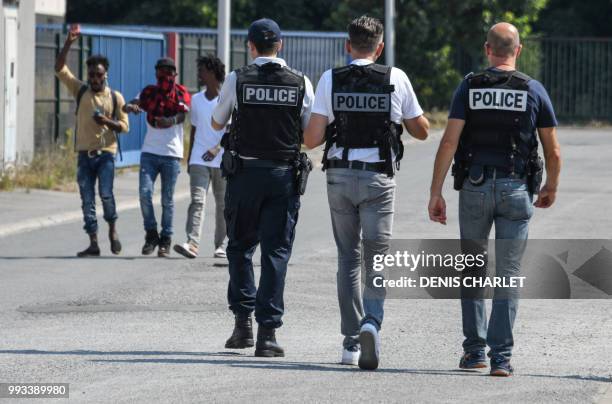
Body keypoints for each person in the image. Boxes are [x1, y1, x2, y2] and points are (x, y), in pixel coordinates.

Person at [428, 22, 561, 377]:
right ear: (518, 50)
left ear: (488, 49)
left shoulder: (469, 86)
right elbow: (553, 150)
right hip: (516, 189)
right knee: (509, 272)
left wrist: (435, 191)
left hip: (473, 186)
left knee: (472, 268)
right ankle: (501, 358)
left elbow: (449, 143)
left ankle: (475, 353)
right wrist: (551, 186)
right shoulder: (533, 89)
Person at [303, 15, 430, 370]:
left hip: (340, 176)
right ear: (380, 47)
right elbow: (420, 131)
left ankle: (350, 342)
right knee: (375, 259)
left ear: (348, 45)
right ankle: (371, 322)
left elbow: (311, 139)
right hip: (379, 179)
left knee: (347, 259)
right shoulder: (396, 78)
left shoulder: (331, 79)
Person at [211, 18, 314, 357]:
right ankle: (267, 336)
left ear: (250, 46)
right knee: (275, 253)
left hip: (245, 175)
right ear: (280, 45)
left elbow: (217, 121)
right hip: (283, 176)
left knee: (240, 247)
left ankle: (243, 327)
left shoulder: (237, 78)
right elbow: (308, 132)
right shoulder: (300, 82)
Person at [54, 24, 129, 257]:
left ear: (106, 74)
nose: (95, 78)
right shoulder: (81, 90)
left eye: (99, 74)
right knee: (87, 199)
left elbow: (124, 126)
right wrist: (68, 42)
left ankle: (113, 231)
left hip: (106, 153)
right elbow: (59, 68)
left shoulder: (115, 97)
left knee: (106, 194)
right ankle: (93, 242)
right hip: (84, 154)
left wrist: (107, 122)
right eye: (92, 75)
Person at [124, 57, 191, 258]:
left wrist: (169, 120)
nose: (165, 76)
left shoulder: (180, 92)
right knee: (145, 193)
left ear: (175, 75)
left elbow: (182, 115)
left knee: (167, 200)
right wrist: (131, 108)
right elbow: (131, 104)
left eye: (169, 72)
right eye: (162, 72)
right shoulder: (149, 93)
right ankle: (151, 234)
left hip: (171, 154)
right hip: (150, 152)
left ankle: (166, 240)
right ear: (156, 74)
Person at [174, 55, 228, 259]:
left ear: (213, 73)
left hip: (222, 160)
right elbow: (194, 130)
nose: (199, 74)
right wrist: (189, 159)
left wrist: (216, 148)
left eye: (202, 71)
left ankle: (221, 245)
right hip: (198, 159)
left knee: (222, 204)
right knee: (197, 201)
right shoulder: (196, 100)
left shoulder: (226, 99)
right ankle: (192, 243)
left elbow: (231, 131)